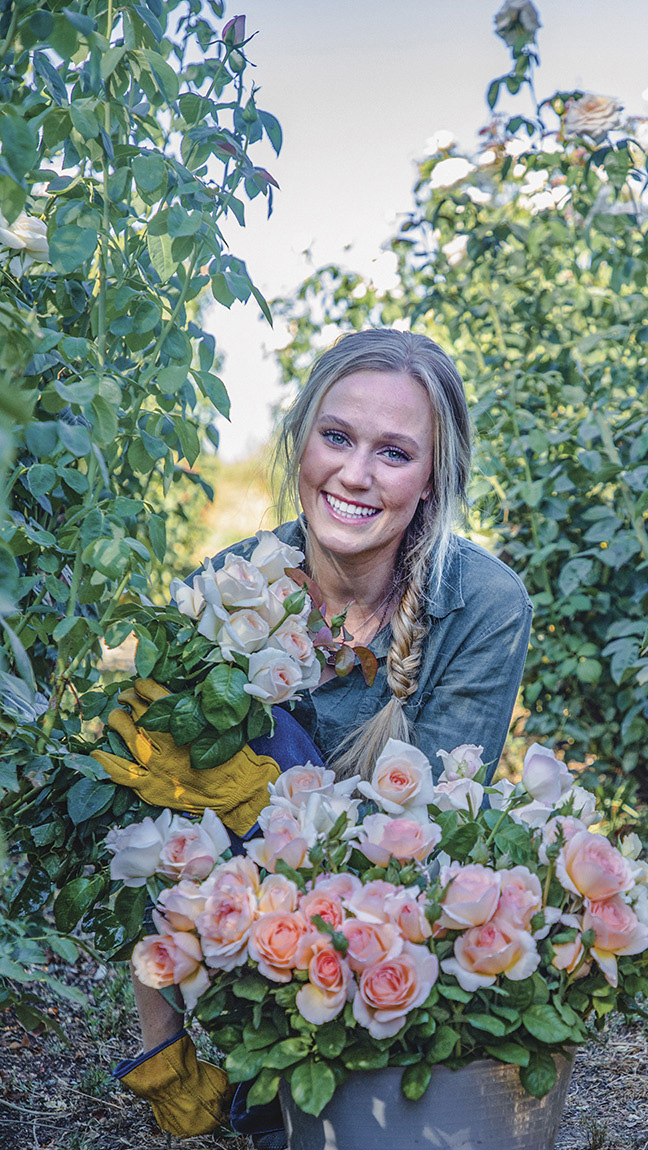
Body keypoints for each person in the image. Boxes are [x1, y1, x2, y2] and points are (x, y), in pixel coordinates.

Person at [97, 328, 533, 1141]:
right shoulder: (225, 591)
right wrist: (163, 1049)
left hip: (388, 940)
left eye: (394, 452)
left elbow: (423, 847)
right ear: (301, 443)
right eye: (336, 437)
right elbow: (152, 838)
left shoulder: (481, 604)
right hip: (249, 938)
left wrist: (264, 797)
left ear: (432, 479)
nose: (356, 474)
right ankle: (256, 1055)